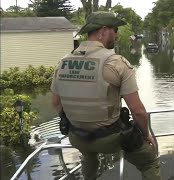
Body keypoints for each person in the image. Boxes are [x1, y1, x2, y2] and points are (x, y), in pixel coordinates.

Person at [50, 11, 160, 180]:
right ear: (103, 31)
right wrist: (145, 135)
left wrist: (79, 123)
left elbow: (56, 103)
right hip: (109, 139)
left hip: (77, 136)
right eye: (115, 30)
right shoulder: (116, 63)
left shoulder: (63, 62)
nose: (116, 35)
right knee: (149, 161)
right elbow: (137, 111)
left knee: (88, 156)